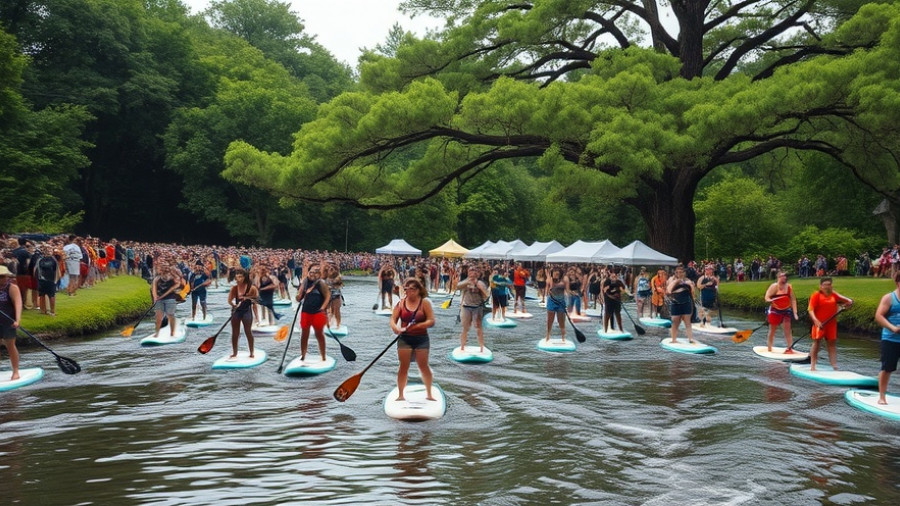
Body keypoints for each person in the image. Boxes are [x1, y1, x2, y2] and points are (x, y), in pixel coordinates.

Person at [390, 277, 436, 401]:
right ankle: (401, 395)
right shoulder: (401, 303)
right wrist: (396, 328)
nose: (409, 292)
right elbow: (393, 320)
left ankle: (429, 394)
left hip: (421, 339)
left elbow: (431, 321)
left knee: (423, 366)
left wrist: (418, 326)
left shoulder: (424, 303)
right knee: (403, 366)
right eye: (406, 289)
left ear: (418, 290)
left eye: (412, 289)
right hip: (405, 339)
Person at [807, 277, 853, 371]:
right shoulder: (816, 295)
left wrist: (848, 304)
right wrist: (815, 320)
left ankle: (834, 366)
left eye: (829, 285)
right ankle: (813, 366)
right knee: (817, 342)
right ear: (821, 286)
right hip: (820, 324)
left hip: (831, 324)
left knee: (831, 343)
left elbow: (848, 301)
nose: (827, 287)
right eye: (825, 285)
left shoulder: (834, 295)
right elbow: (810, 310)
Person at [295, 261, 330, 362]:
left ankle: (323, 356)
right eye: (311, 272)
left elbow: (327, 296)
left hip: (318, 312)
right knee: (304, 334)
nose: (313, 274)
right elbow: (298, 298)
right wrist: (298, 295)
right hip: (306, 311)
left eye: (316, 272)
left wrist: (323, 308)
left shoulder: (321, 283)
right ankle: (303, 355)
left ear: (319, 274)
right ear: (308, 272)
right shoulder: (305, 282)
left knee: (319, 334)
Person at [874, 271, 900, 404]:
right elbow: (879, 316)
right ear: (897, 282)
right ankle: (882, 397)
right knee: (887, 368)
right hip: (890, 339)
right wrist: (892, 328)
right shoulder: (889, 298)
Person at [764, 270, 799, 352]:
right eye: (782, 276)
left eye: (785, 276)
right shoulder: (774, 287)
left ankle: (789, 348)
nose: (784, 278)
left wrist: (795, 313)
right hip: (775, 310)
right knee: (772, 330)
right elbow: (767, 297)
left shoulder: (789, 287)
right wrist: (769, 300)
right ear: (778, 277)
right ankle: (769, 348)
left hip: (786, 310)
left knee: (788, 330)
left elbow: (793, 300)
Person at [456, 265, 489, 352]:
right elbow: (457, 287)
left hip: (477, 307)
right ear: (468, 272)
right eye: (470, 271)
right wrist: (467, 282)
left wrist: (480, 288)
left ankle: (482, 348)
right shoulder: (465, 282)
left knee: (478, 327)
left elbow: (487, 295)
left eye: (474, 271)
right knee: (465, 328)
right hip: (466, 307)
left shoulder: (480, 283)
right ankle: (462, 347)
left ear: (477, 273)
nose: (472, 273)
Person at [227, 268, 259, 358]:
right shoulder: (234, 288)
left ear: (244, 277)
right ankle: (234, 353)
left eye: (240, 277)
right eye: (237, 277)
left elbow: (255, 302)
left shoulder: (252, 288)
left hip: (246, 311)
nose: (238, 279)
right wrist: (234, 305)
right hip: (236, 312)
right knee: (235, 333)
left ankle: (251, 352)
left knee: (248, 332)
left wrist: (256, 316)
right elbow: (229, 300)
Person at [0, 265, 23, 381]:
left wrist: (17, 320)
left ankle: (15, 371)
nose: (4, 279)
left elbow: (18, 304)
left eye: (4, 276)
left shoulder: (12, 288)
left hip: (8, 321)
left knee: (10, 345)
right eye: (1, 277)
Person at [666, 265, 696, 344]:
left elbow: (692, 292)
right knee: (675, 321)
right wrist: (677, 282)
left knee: (687, 321)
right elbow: (669, 291)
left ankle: (690, 339)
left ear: (684, 273)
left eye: (681, 272)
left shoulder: (688, 281)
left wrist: (690, 285)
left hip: (686, 302)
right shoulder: (671, 280)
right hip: (675, 303)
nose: (679, 274)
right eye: (677, 272)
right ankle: (674, 339)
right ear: (675, 273)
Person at [152, 264, 183, 337]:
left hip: (170, 298)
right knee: (158, 318)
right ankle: (157, 333)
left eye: (166, 268)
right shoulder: (157, 279)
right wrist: (155, 298)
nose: (165, 270)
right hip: (159, 300)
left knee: (170, 315)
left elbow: (178, 283)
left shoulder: (173, 278)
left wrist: (174, 273)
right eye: (163, 268)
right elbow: (154, 289)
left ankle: (172, 333)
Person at [544, 266, 568, 342]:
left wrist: (567, 302)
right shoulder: (549, 280)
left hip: (561, 302)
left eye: (557, 274)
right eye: (554, 273)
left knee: (561, 321)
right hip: (551, 301)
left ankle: (563, 337)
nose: (556, 275)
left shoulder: (564, 280)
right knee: (550, 320)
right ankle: (548, 335)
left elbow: (566, 291)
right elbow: (547, 290)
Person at [34, 249, 59, 316]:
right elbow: (57, 270)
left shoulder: (39, 260)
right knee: (52, 296)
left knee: (42, 295)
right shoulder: (54, 260)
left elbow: (35, 270)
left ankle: (43, 310)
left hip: (41, 280)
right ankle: (52, 311)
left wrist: (37, 278)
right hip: (51, 280)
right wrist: (56, 280)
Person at [325, 263, 344, 328]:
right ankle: (329, 323)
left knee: (336, 310)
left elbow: (338, 282)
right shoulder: (324, 275)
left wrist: (333, 271)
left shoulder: (338, 276)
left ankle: (338, 324)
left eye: (332, 268)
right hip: (327, 295)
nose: (331, 269)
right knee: (328, 310)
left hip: (336, 295)